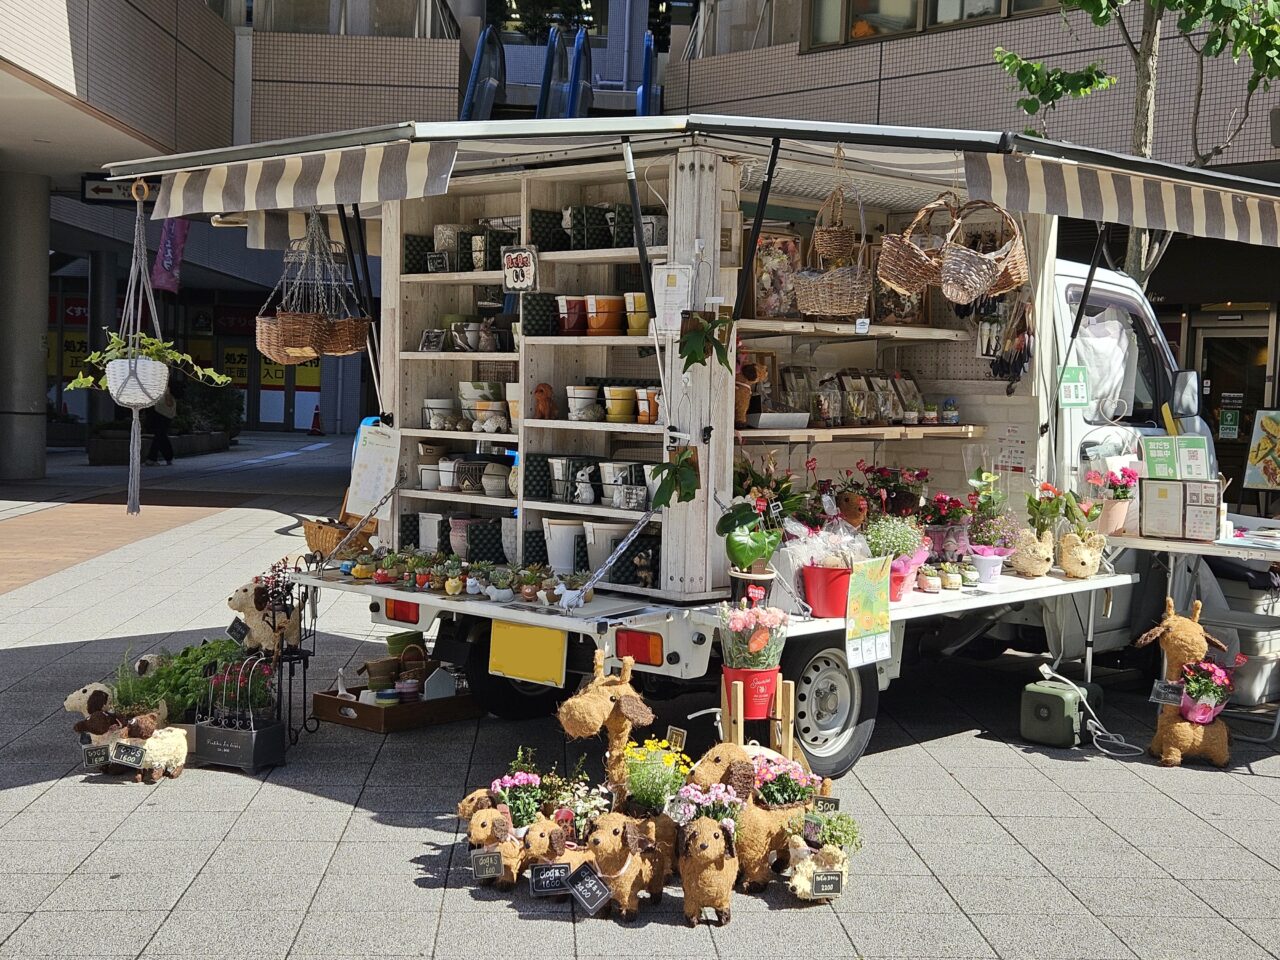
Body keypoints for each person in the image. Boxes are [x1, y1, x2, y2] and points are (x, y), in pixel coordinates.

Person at [145, 372, 183, 465]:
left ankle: (153, 458)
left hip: (162, 410)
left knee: (160, 434)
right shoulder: (161, 382)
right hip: (160, 410)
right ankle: (168, 456)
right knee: (161, 434)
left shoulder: (168, 383)